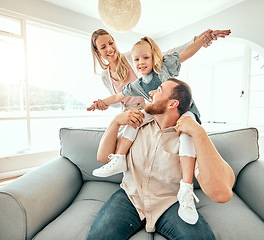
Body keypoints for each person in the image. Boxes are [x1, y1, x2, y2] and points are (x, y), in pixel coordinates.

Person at [88, 32, 231, 224]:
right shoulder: (136, 85)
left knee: (185, 132)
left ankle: (186, 187)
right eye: (137, 59)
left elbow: (183, 52)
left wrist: (200, 40)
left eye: (145, 58)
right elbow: (118, 98)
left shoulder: (162, 69)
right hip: (147, 111)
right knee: (136, 119)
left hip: (182, 113)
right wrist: (106, 109)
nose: (140, 62)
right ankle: (120, 158)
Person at [86, 78, 235, 240]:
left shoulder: (189, 139)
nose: (151, 92)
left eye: (159, 90)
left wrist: (200, 133)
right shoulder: (137, 126)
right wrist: (115, 122)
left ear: (172, 104)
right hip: (130, 197)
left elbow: (222, 194)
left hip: (169, 203)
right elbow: (103, 157)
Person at [88, 28, 229, 112]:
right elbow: (118, 99)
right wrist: (103, 103)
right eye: (103, 47)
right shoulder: (107, 77)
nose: (110, 49)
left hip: (150, 106)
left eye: (111, 43)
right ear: (97, 51)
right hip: (129, 112)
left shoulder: (134, 55)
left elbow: (171, 55)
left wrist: (199, 40)